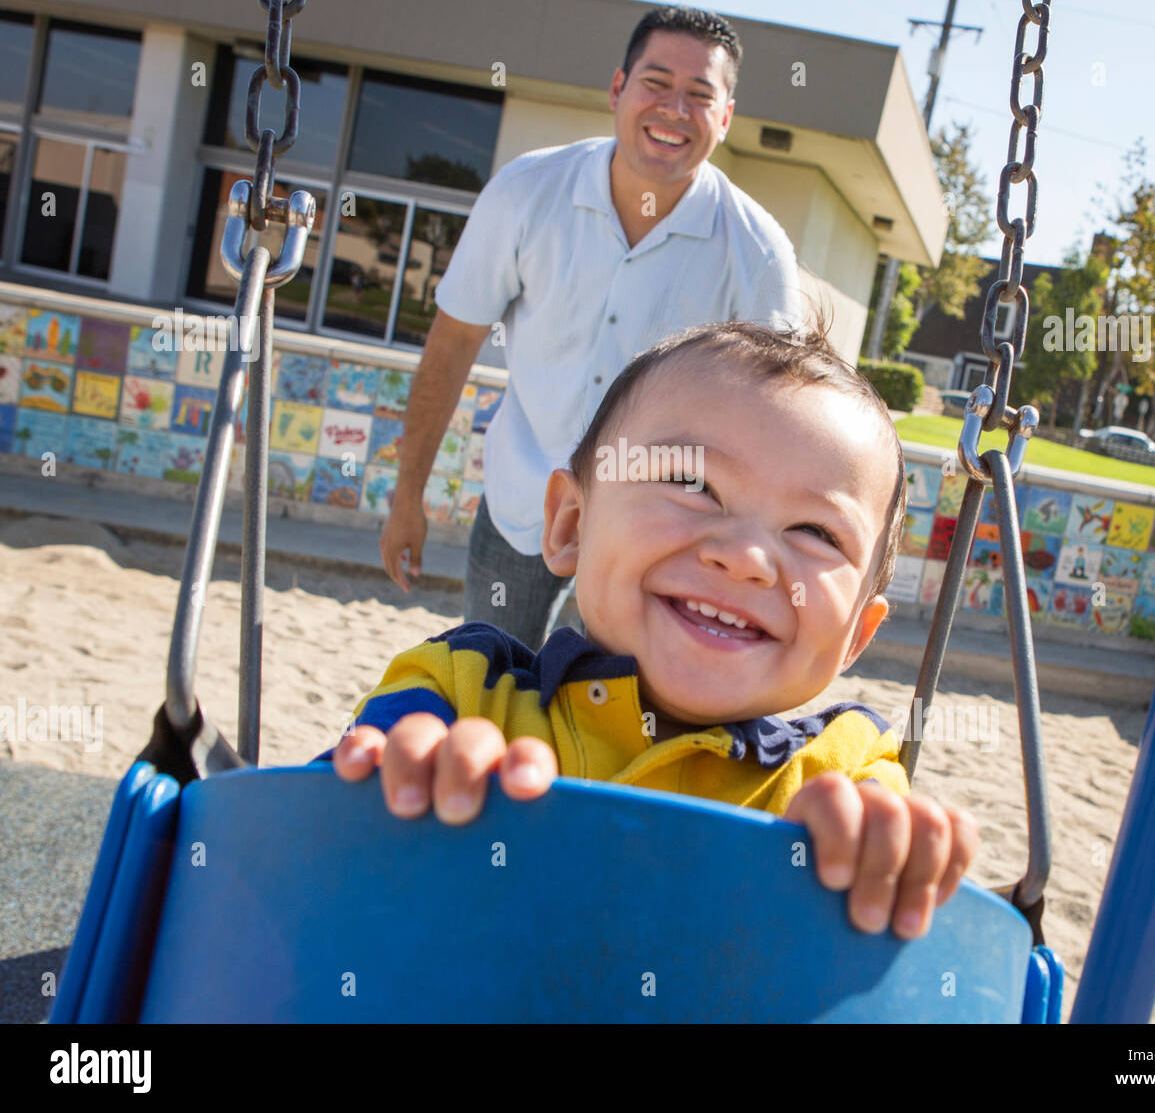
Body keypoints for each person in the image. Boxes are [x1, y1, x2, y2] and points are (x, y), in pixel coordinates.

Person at [325, 321, 978, 940]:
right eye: (692, 483)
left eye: (815, 532)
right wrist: (402, 786)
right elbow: (305, 843)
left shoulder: (843, 769)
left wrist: (875, 852)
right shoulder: (460, 689)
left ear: (856, 637)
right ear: (570, 525)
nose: (745, 558)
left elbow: (894, 879)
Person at [380, 5, 804, 649]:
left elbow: (773, 421)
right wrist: (406, 496)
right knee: (488, 685)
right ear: (617, 89)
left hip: (657, 539)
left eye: (699, 95)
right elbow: (453, 343)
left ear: (725, 118)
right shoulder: (526, 192)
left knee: (603, 720)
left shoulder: (758, 251)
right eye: (655, 84)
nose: (673, 110)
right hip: (521, 507)